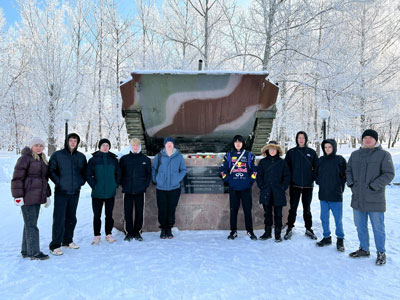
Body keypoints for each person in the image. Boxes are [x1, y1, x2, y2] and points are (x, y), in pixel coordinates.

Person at [346, 129, 394, 265]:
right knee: (360, 226)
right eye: (365, 137)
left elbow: (389, 174)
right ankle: (364, 249)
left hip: (375, 199)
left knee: (378, 227)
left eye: (370, 138)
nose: (367, 140)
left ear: (375, 140)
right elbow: (348, 170)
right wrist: (351, 184)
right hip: (358, 198)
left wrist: (374, 185)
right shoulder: (355, 154)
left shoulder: (384, 155)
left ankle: (381, 252)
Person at [11, 137, 52, 260]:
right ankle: (34, 252)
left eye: (41, 145)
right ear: (31, 146)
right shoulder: (24, 159)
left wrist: (47, 195)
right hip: (27, 197)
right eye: (36, 145)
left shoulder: (42, 159)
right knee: (32, 225)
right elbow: (17, 179)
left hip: (38, 197)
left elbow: (45, 179)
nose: (39, 148)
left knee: (29, 224)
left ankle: (25, 250)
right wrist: (18, 197)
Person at [48, 133, 87, 256]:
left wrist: (80, 182)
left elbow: (84, 172)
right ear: (66, 141)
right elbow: (51, 170)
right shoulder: (57, 155)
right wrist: (59, 182)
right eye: (70, 140)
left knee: (71, 217)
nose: (72, 143)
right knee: (59, 218)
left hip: (75, 192)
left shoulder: (81, 157)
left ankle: (67, 240)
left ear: (77, 143)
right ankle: (55, 244)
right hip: (61, 192)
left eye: (75, 141)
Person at [220, 135, 258, 240]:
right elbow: (223, 170)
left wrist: (249, 181)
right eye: (236, 142)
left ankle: (250, 231)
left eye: (240, 142)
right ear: (233, 143)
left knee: (247, 210)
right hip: (234, 188)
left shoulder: (249, 155)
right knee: (233, 210)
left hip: (246, 188)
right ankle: (233, 231)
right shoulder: (228, 155)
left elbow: (255, 170)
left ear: (243, 143)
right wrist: (229, 181)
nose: (238, 144)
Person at [284, 131, 319, 240]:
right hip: (295, 186)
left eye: (303, 137)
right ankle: (289, 227)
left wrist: (311, 177)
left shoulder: (312, 152)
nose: (301, 139)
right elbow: (286, 169)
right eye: (299, 137)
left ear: (306, 139)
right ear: (296, 139)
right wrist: (290, 180)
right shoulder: (291, 152)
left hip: (308, 186)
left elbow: (317, 168)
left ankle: (309, 228)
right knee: (293, 208)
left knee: (307, 208)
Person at [86, 138, 120, 245]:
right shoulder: (93, 160)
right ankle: (97, 235)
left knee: (109, 215)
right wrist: (94, 186)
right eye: (103, 145)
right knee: (97, 215)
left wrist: (115, 185)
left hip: (110, 192)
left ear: (109, 147)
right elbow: (88, 174)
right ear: (99, 147)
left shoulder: (113, 160)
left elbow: (119, 174)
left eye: (107, 145)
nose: (105, 147)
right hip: (97, 193)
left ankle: (108, 234)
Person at [315, 139, 347, 251]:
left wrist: (339, 186)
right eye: (325, 147)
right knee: (324, 218)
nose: (327, 149)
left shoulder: (340, 160)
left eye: (330, 147)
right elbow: (316, 173)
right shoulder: (321, 160)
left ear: (334, 147)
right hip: (323, 194)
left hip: (336, 195)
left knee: (338, 219)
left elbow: (345, 175)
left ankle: (340, 239)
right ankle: (326, 237)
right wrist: (319, 180)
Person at [152, 137, 186, 239]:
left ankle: (169, 229)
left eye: (171, 143)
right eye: (167, 143)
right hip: (161, 188)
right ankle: (163, 229)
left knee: (171, 209)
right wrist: (156, 179)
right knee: (162, 209)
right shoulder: (159, 156)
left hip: (174, 188)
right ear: (165, 145)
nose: (169, 145)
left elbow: (183, 170)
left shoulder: (178, 156)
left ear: (173, 145)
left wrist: (177, 179)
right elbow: (154, 169)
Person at [256, 141, 290, 242]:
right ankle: (267, 232)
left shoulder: (282, 162)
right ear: (267, 150)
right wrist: (262, 186)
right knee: (267, 214)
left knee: (278, 214)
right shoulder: (263, 162)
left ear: (277, 150)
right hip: (266, 191)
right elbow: (259, 176)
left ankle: (277, 234)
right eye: (270, 149)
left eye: (274, 149)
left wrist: (282, 187)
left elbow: (287, 176)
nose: (272, 151)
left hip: (278, 192)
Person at [119, 138, 151, 241]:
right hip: (127, 190)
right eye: (133, 145)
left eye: (137, 145)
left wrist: (144, 186)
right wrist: (123, 184)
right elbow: (120, 174)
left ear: (140, 146)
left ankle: (137, 232)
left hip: (140, 190)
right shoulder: (124, 159)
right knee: (127, 212)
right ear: (130, 146)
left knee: (139, 211)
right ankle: (128, 232)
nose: (135, 147)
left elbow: (148, 175)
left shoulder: (145, 159)